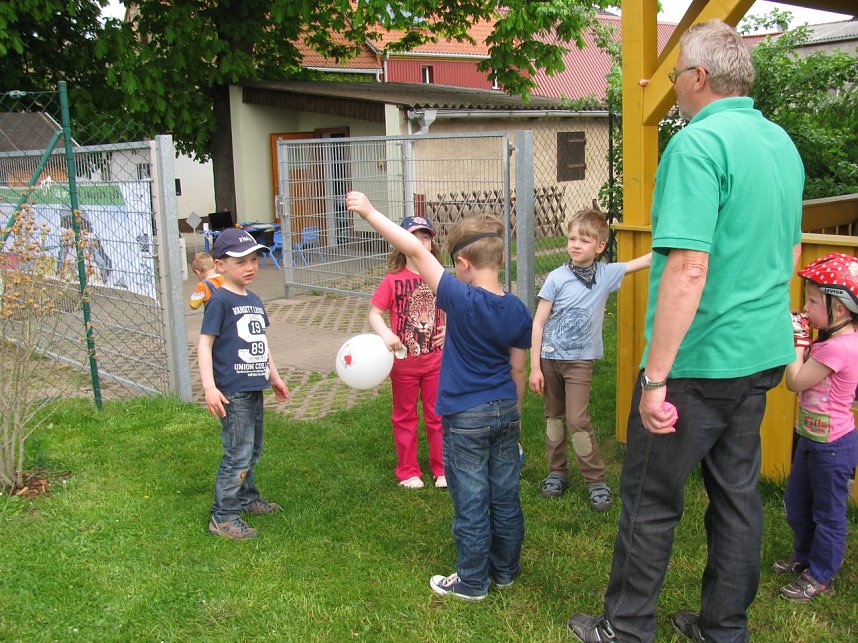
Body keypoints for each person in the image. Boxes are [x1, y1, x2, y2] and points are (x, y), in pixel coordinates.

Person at [568, 20, 804, 642]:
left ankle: (625, 628)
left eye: (674, 77)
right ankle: (724, 629)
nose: (673, 87)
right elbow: (791, 248)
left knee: (651, 498)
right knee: (737, 496)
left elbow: (688, 267)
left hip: (698, 362)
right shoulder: (779, 142)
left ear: (698, 77)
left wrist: (656, 378)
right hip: (761, 355)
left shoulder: (697, 144)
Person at [346, 191, 532, 601]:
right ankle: (505, 571)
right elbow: (517, 369)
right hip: (505, 411)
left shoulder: (458, 297)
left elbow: (413, 248)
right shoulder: (520, 309)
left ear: (462, 264)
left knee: (472, 501)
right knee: (505, 497)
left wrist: (370, 211)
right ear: (500, 258)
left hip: (465, 416)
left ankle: (472, 582)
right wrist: (514, 416)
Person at [529, 209, 650, 511]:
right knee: (553, 417)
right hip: (549, 360)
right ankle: (557, 473)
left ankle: (596, 480)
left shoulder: (607, 275)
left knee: (577, 420)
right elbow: (538, 323)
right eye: (572, 238)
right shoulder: (556, 277)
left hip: (580, 363)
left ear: (600, 246)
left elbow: (646, 260)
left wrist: (675, 243)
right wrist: (534, 368)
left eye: (584, 240)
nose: (575, 245)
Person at [198, 228, 290, 540]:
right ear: (220, 265)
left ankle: (246, 497)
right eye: (240, 262)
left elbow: (261, 342)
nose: (249, 267)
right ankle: (223, 516)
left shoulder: (254, 299)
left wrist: (274, 376)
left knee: (252, 449)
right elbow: (204, 344)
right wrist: (209, 387)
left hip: (254, 388)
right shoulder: (219, 301)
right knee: (237, 452)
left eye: (253, 260)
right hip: (232, 392)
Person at [776, 253, 858, 603]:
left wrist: (796, 343)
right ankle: (805, 556)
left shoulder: (838, 348)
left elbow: (795, 382)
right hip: (812, 438)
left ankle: (821, 574)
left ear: (838, 308)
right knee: (797, 502)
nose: (805, 308)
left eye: (811, 301)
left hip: (833, 446)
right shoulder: (831, 341)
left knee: (828, 513)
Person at [368, 215, 447, 489]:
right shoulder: (393, 280)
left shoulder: (439, 277)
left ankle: (442, 468)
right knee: (404, 417)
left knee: (438, 415)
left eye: (425, 236)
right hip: (403, 365)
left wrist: (449, 329)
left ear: (432, 242)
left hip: (436, 362)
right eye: (413, 236)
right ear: (400, 242)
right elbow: (375, 313)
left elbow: (455, 307)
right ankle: (408, 471)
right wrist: (386, 334)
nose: (420, 241)